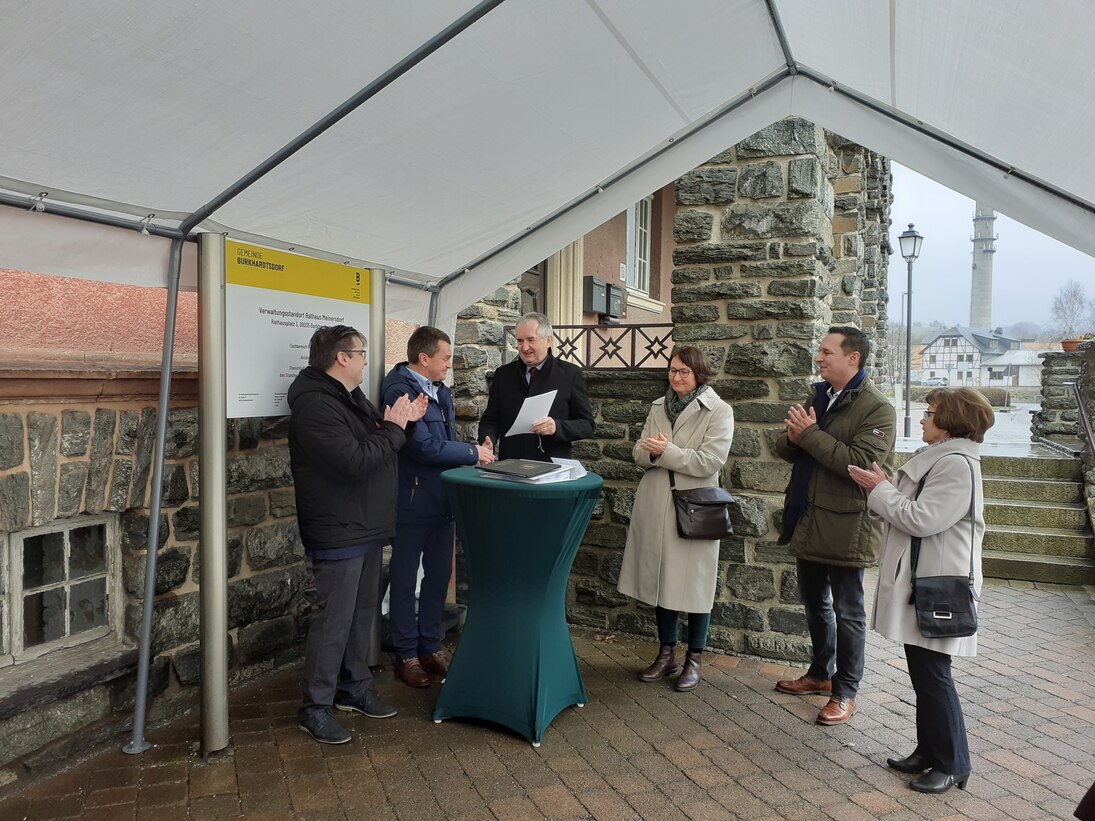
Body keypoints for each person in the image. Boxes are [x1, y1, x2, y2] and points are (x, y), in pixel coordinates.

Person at [849, 387, 994, 794]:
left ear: (952, 422)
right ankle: (929, 751)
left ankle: (952, 762)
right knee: (924, 672)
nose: (923, 418)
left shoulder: (956, 465)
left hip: (936, 584)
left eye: (930, 413)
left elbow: (922, 519)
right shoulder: (946, 459)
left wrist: (878, 488)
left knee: (933, 675)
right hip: (926, 579)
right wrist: (879, 488)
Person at [288, 324, 426, 744]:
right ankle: (315, 707)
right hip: (338, 528)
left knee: (362, 614)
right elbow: (354, 459)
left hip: (365, 525)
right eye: (361, 353)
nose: (367, 359)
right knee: (334, 621)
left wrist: (404, 423)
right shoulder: (315, 406)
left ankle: (354, 689)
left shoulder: (348, 398)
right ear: (342, 358)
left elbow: (380, 439)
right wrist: (394, 430)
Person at [773, 326, 896, 725]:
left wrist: (808, 436)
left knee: (848, 611)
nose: (820, 357)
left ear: (852, 358)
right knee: (814, 603)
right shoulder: (818, 394)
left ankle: (846, 691)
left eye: (827, 352)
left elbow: (860, 463)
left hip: (846, 525)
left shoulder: (878, 408)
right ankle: (819, 675)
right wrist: (795, 439)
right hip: (808, 515)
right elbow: (785, 446)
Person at [381, 326, 495, 688]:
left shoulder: (441, 391)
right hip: (411, 502)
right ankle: (406, 654)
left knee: (436, 577)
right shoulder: (398, 390)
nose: (450, 364)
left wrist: (472, 448)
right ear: (424, 358)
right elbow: (422, 447)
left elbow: (444, 441)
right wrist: (473, 453)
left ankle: (430, 645)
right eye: (446, 358)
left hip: (442, 501)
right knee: (403, 578)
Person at [617, 346, 734, 692]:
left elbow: (709, 461)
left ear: (700, 374)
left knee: (695, 585)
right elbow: (639, 451)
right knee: (660, 580)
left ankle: (693, 659)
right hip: (656, 502)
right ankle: (666, 654)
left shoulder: (719, 410)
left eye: (683, 371)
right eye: (672, 370)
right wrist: (652, 453)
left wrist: (665, 451)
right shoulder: (658, 406)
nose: (676, 376)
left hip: (695, 508)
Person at [478, 312, 595, 461]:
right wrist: (487, 441)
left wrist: (557, 427)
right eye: (520, 341)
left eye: (531, 340)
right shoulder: (503, 375)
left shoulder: (570, 374)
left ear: (548, 341)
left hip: (552, 468)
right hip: (511, 465)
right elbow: (491, 420)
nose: (524, 347)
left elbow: (587, 425)